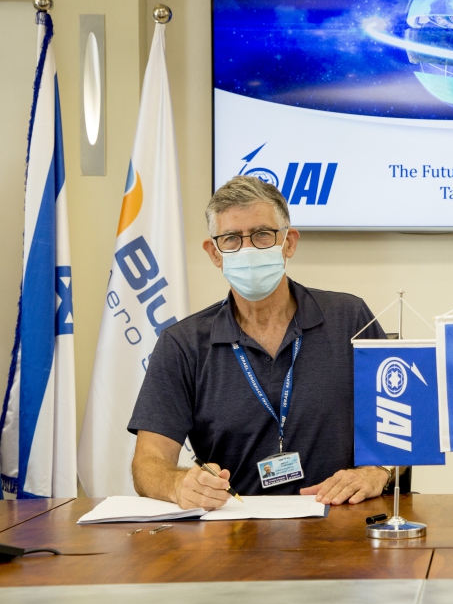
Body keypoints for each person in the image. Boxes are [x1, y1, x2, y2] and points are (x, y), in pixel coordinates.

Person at [129, 176, 393, 509]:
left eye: (262, 235)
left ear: (289, 243)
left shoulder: (350, 319)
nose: (248, 249)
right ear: (214, 253)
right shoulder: (182, 344)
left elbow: (403, 427)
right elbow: (148, 463)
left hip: (340, 517)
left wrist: (377, 472)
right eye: (231, 239)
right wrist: (179, 484)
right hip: (234, 527)